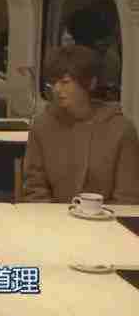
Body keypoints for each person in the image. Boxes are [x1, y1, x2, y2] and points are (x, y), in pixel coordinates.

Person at [24, 44, 139, 204]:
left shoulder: (121, 129)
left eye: (65, 82)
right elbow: (34, 189)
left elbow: (128, 197)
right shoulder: (42, 125)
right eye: (53, 82)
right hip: (53, 217)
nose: (57, 89)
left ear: (90, 83)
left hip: (108, 218)